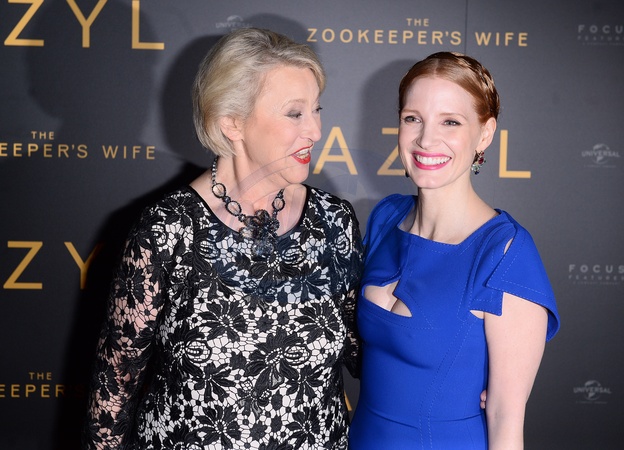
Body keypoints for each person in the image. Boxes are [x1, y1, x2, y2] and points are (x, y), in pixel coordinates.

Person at [83, 28, 362, 449]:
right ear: (232, 122)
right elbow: (115, 386)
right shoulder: (168, 229)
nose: (315, 131)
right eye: (295, 113)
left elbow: (366, 354)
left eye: (316, 110)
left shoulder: (333, 222)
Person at [348, 52, 560, 449]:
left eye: (450, 122)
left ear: (485, 133)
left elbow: (505, 420)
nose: (426, 139)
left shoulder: (505, 253)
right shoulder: (385, 218)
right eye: (413, 118)